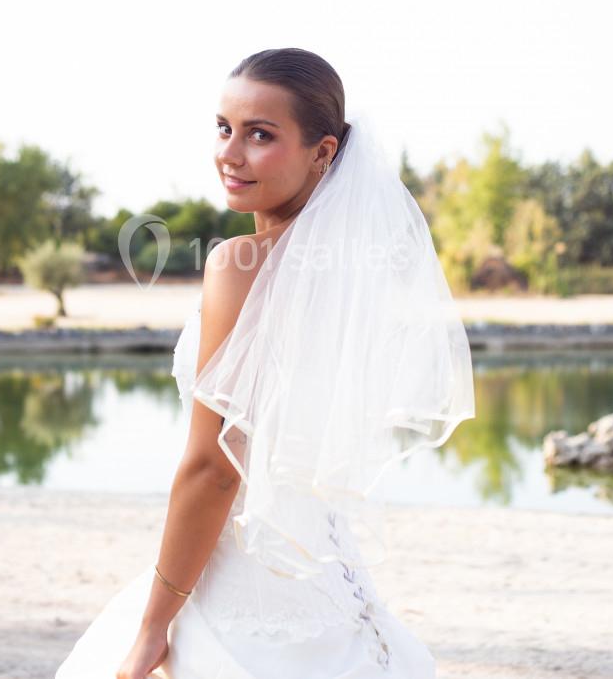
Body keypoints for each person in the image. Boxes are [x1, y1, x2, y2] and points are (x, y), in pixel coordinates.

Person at [55, 48, 475, 679]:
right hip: (333, 583)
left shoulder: (238, 266)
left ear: (323, 152)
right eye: (224, 128)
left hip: (239, 595)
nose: (230, 152)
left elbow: (215, 469)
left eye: (260, 135)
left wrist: (151, 628)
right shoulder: (350, 278)